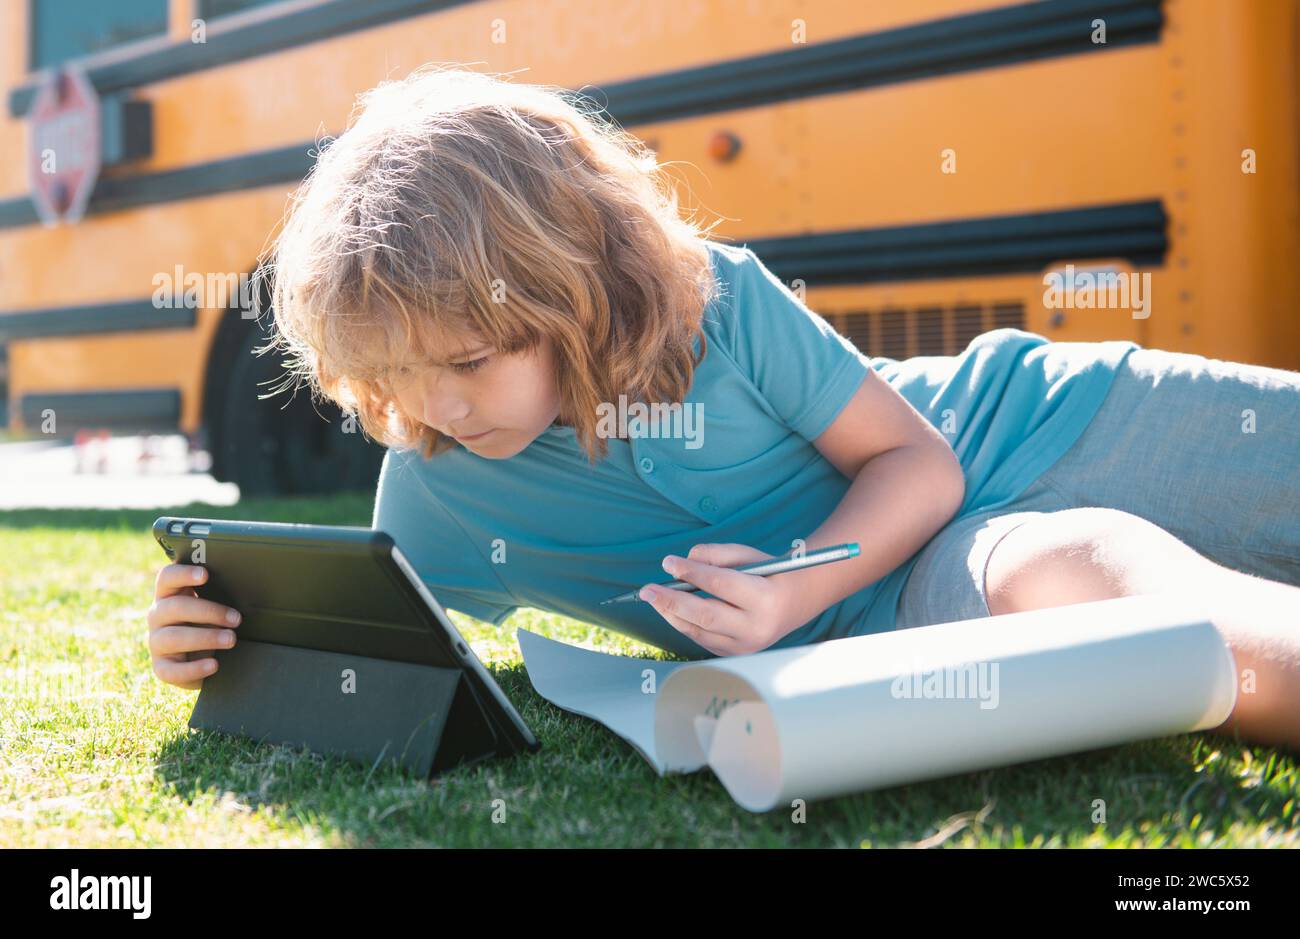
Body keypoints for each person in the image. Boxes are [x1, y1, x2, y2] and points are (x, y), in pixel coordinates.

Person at [147, 65, 1300, 749]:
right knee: (1094, 578)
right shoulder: (439, 492)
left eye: (473, 359)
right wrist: (212, 637)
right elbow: (370, 653)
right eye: (396, 381)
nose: (438, 411)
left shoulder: (719, 304)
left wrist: (795, 574)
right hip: (933, 576)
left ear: (571, 289)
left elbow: (918, 459)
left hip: (1040, 419)